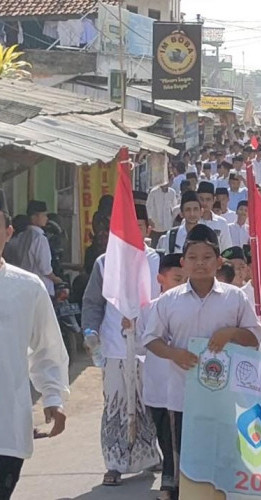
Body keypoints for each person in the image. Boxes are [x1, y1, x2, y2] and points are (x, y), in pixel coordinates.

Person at [143, 224, 261, 497]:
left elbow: (254, 336)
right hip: (183, 397)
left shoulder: (235, 298)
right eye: (193, 258)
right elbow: (151, 339)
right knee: (188, 463)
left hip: (226, 398)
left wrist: (231, 333)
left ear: (219, 262)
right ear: (183, 263)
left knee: (225, 460)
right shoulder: (168, 301)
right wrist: (174, 353)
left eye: (207, 257)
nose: (200, 264)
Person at [82, 202, 161, 486]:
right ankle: (114, 463)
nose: (131, 234)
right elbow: (92, 303)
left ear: (147, 228)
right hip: (115, 347)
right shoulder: (105, 262)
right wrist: (90, 332)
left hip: (152, 347)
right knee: (116, 404)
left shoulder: (159, 261)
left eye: (137, 228)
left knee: (146, 403)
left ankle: (148, 454)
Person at [0, 207, 69, 499]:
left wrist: (53, 396)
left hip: (6, 427)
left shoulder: (27, 287)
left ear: (8, 233)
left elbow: (47, 347)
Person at [136, 253, 186, 495]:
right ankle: (170, 473)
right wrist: (128, 329)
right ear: (161, 279)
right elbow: (138, 345)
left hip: (183, 386)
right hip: (157, 386)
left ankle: (173, 481)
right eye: (177, 279)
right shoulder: (148, 310)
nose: (182, 285)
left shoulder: (190, 307)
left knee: (180, 437)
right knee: (164, 436)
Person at [4, 200, 63, 296]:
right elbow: (45, 269)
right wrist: (56, 279)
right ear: (34, 217)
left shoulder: (21, 236)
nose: (46, 218)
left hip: (23, 286)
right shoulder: (40, 238)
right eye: (43, 215)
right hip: (40, 288)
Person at [196, 181, 233, 251]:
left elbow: (227, 249)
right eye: (201, 199)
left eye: (208, 199)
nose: (204, 203)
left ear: (214, 200)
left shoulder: (221, 223)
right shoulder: (190, 221)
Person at [146, 182, 177, 247]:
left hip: (168, 225)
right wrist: (149, 218)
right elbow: (149, 206)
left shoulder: (172, 192)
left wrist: (174, 221)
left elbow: (174, 208)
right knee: (154, 246)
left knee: (166, 246)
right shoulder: (154, 192)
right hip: (156, 225)